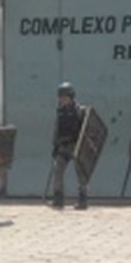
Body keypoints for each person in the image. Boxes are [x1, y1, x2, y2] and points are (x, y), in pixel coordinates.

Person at [51, 82, 89, 210]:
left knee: (81, 173)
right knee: (57, 170)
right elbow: (57, 128)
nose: (62, 99)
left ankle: (83, 199)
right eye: (61, 96)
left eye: (65, 96)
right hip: (63, 146)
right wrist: (55, 144)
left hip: (76, 145)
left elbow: (87, 130)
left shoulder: (80, 111)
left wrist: (83, 146)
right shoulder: (60, 111)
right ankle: (58, 198)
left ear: (71, 97)